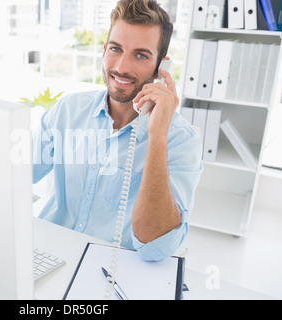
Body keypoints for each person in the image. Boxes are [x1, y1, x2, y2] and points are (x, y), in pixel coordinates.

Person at [32, 0, 203, 261]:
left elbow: (155, 248)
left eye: (141, 55)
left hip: (113, 272)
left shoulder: (181, 140)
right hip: (48, 254)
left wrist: (157, 135)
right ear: (104, 50)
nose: (122, 67)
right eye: (116, 49)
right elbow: (17, 173)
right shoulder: (67, 110)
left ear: (161, 67)